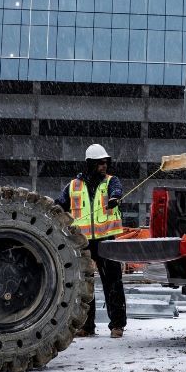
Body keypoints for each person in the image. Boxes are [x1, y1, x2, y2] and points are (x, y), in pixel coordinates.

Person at [56, 143, 127, 339]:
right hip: (82, 242)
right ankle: (86, 326)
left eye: (105, 163)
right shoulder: (73, 186)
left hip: (106, 240)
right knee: (84, 285)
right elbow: (58, 205)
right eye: (100, 163)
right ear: (90, 164)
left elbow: (117, 190)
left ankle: (117, 325)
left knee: (113, 283)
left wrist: (115, 198)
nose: (104, 166)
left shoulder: (111, 182)